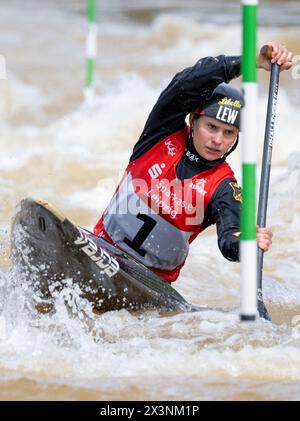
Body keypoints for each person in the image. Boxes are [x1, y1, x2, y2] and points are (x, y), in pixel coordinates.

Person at [93, 42, 293, 283]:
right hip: (102, 247)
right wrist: (250, 62)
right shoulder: (161, 131)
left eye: (229, 133)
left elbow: (230, 240)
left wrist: (247, 244)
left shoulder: (223, 187)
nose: (218, 140)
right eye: (211, 127)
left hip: (149, 282)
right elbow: (188, 82)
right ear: (194, 120)